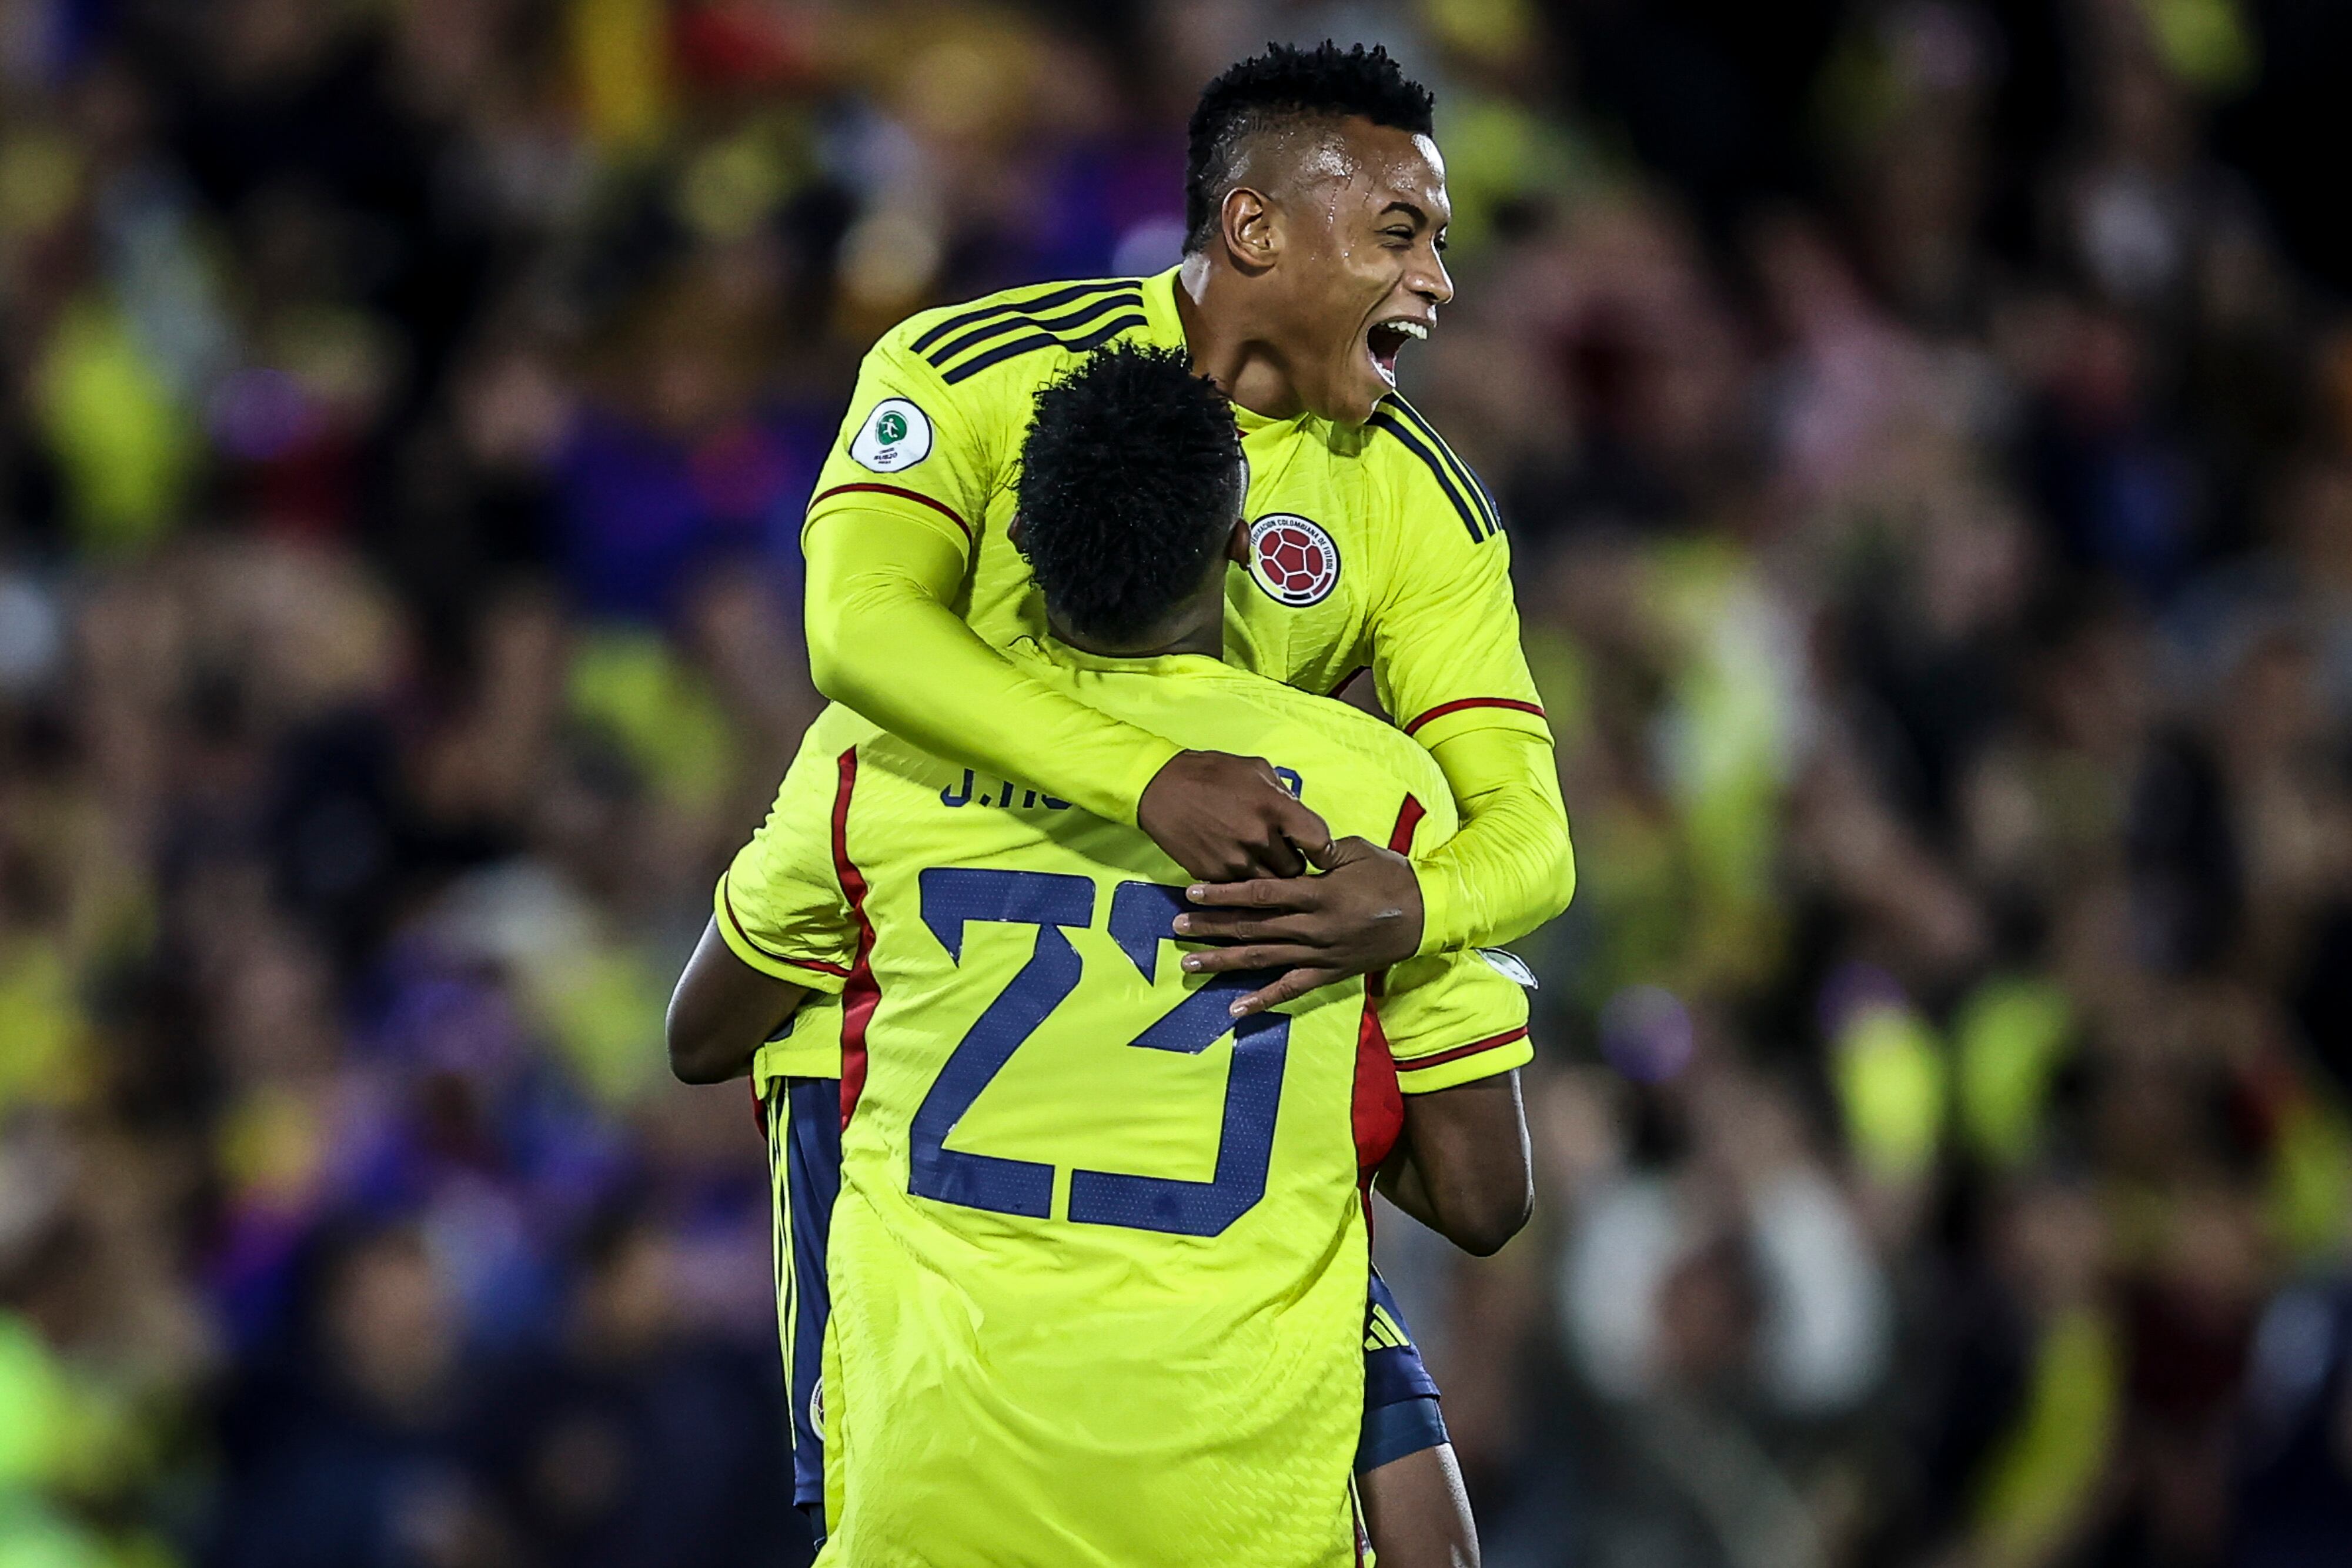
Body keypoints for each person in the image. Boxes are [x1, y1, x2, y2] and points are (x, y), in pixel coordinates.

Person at [669, 343, 1534, 1566]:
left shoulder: (876, 753)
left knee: (811, 1040)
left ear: (1018, 536)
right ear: (1241, 544)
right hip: (1230, 1501)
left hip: (933, 1494)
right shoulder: (1369, 796)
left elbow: (699, 1034)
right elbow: (1487, 1198)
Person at [799, 40, 1572, 1018]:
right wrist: (1148, 780)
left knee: (1468, 1001)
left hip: (1181, 997)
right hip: (903, 974)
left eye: (1439, 246)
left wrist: (1424, 903)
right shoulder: (973, 370)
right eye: (1397, 235)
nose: (1437, 282)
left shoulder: (1421, 500)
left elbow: (1530, 829)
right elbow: (856, 623)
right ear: (1255, 227)